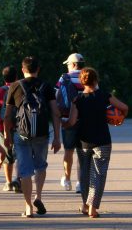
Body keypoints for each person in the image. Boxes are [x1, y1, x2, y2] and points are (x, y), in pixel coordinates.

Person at [64, 67, 128, 218]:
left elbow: (72, 122)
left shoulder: (77, 100)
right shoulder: (105, 96)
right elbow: (125, 107)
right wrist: (118, 119)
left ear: (82, 82)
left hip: (83, 142)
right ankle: (92, 207)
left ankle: (86, 206)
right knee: (99, 175)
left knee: (84, 176)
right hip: (103, 141)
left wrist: (63, 123)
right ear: (96, 80)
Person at [3, 56, 62, 218]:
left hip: (21, 134)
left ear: (22, 70)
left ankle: (28, 206)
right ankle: (38, 197)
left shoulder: (15, 86)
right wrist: (57, 138)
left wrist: (7, 136)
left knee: (25, 170)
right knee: (41, 166)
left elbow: (7, 116)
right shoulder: (47, 86)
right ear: (38, 69)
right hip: (42, 133)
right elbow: (55, 114)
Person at [0, 66, 21, 192]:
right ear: (16, 77)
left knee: (7, 155)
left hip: (3, 128)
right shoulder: (21, 88)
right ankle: (19, 180)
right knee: (20, 155)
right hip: (20, 127)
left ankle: (8, 182)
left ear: (4, 78)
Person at [55, 53, 85, 192]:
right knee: (82, 151)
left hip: (67, 118)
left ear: (73, 65)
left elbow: (56, 96)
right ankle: (80, 182)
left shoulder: (64, 78)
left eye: (68, 64)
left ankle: (67, 180)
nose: (67, 66)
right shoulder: (88, 76)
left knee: (69, 150)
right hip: (85, 120)